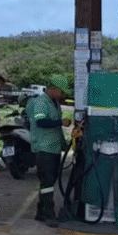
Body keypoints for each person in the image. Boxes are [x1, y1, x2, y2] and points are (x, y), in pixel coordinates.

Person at [28, 73, 72, 227]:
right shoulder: (41, 103)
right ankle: (49, 214)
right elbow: (41, 122)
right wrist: (61, 122)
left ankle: (40, 212)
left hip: (54, 148)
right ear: (53, 89)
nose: (62, 94)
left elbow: (56, 129)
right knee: (47, 182)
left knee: (49, 181)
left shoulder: (54, 103)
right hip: (44, 147)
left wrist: (64, 144)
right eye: (60, 91)